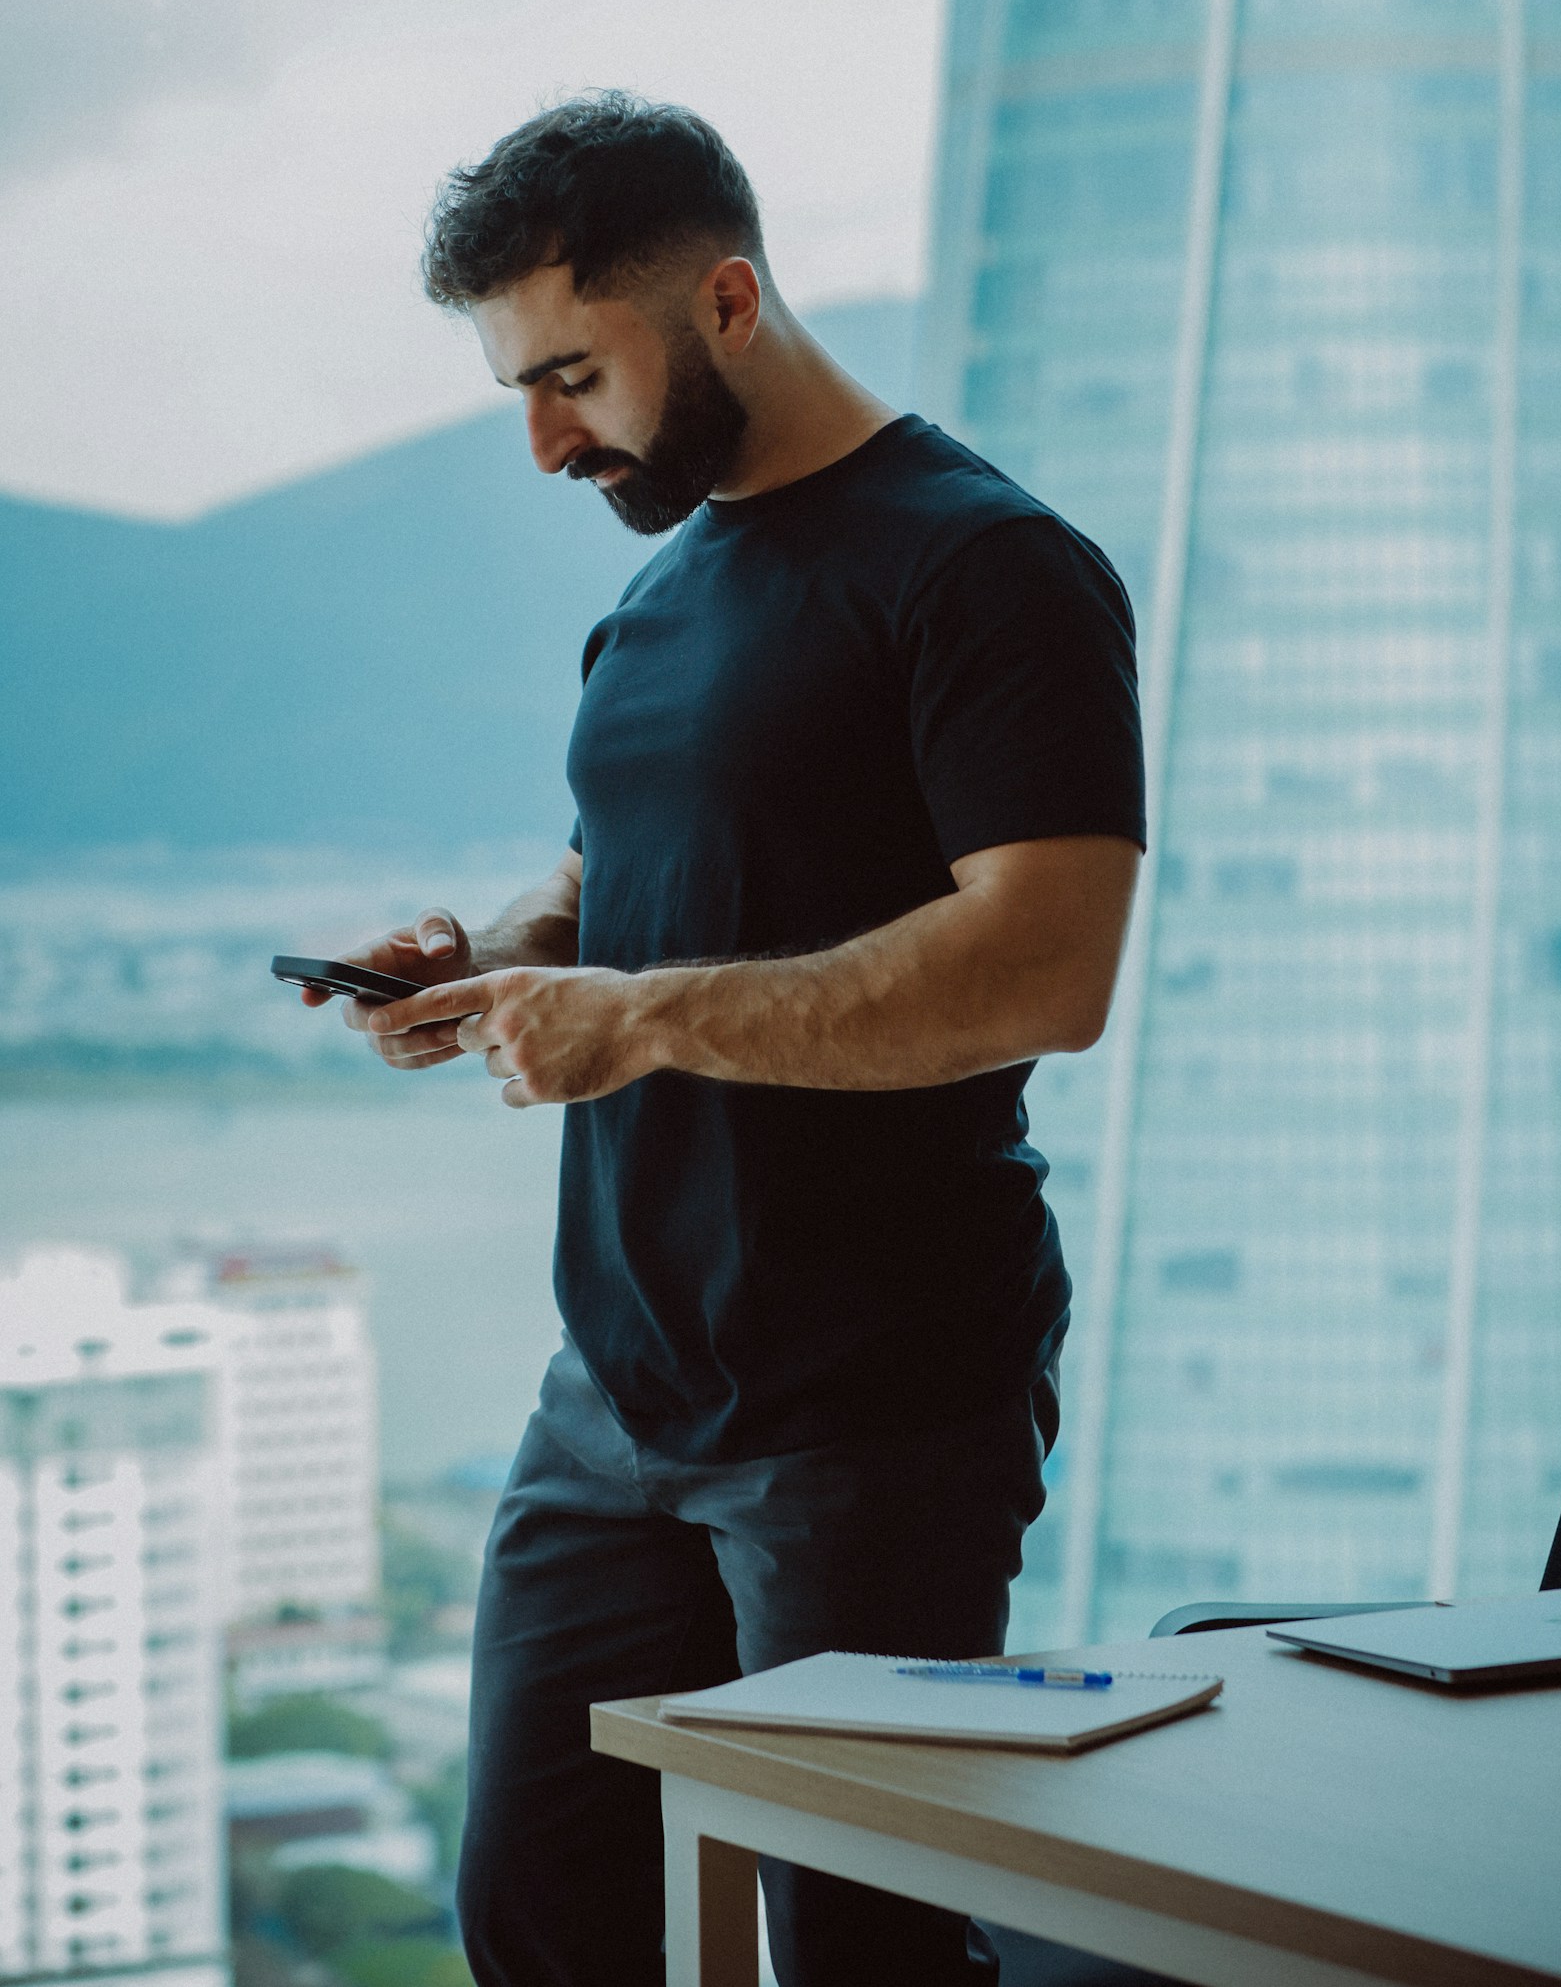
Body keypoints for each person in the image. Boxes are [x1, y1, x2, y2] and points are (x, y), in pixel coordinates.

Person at [310, 95, 1145, 1987]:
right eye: (519, 389)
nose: (544, 440)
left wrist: (642, 1019)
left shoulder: (988, 569)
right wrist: (486, 954)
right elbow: (625, 874)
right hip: (610, 1395)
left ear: (732, 298)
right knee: (539, 1922)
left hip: (869, 1410)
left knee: (856, 1952)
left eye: (575, 377)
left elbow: (1045, 966)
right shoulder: (659, 595)